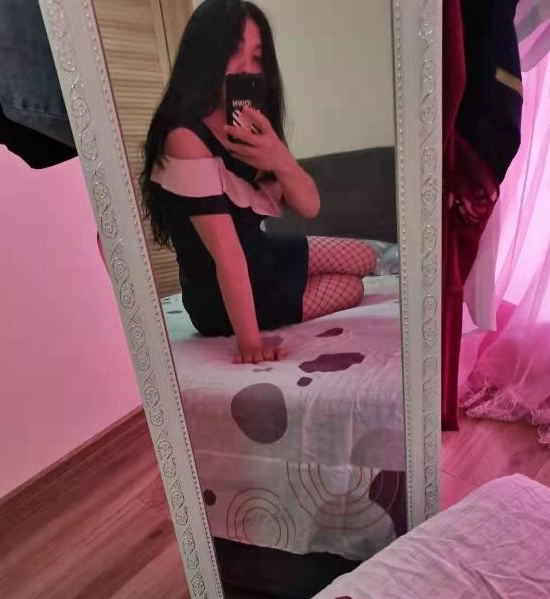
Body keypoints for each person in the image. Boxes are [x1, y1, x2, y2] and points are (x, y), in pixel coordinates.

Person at [141, 0, 376, 365]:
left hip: (262, 253)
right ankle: (271, 306)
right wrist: (250, 344)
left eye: (257, 57)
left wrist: (279, 157)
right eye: (234, 52)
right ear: (205, 54)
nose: (247, 69)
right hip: (220, 292)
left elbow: (310, 207)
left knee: (366, 256)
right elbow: (227, 255)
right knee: (351, 288)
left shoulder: (246, 127)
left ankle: (289, 286)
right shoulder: (184, 137)